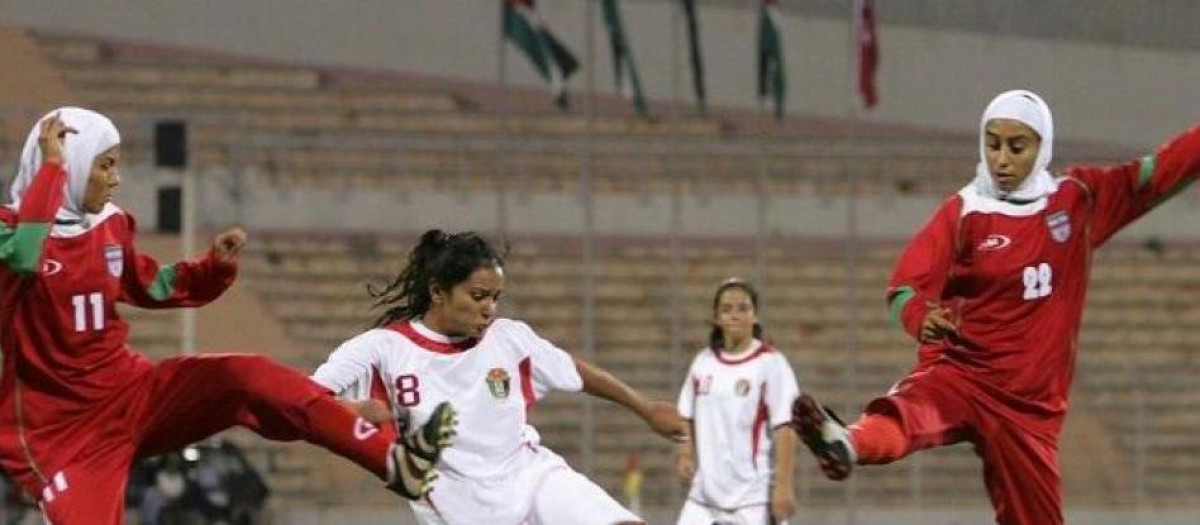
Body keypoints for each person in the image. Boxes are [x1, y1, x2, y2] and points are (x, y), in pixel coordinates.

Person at [0, 107, 453, 524]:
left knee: (246, 376)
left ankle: (392, 460)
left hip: (131, 393)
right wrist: (53, 169)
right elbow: (25, 256)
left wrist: (210, 269)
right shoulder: (7, 229)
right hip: (59, 434)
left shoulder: (110, 225)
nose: (115, 178)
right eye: (104, 165)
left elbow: (153, 285)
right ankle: (331, 411)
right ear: (68, 167)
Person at [790, 90, 1200, 525]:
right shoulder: (964, 211)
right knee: (910, 410)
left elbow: (1157, 174)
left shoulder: (1078, 200)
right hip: (964, 373)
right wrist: (920, 317)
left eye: (1017, 147)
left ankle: (849, 441)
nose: (1001, 159)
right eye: (992, 144)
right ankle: (845, 443)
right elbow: (904, 287)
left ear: (1043, 147)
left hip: (1029, 411)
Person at [311, 229, 689, 525]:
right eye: (478, 296)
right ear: (438, 291)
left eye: (495, 297)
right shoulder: (381, 349)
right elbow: (306, 399)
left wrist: (645, 408)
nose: (489, 309)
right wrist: (355, 409)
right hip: (456, 502)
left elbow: (572, 369)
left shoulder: (508, 337)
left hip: (530, 474)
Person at [675, 278, 798, 525]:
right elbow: (685, 413)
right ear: (717, 318)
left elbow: (786, 428)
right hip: (704, 496)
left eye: (743, 308)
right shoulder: (703, 363)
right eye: (727, 309)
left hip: (752, 497)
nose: (735, 315)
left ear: (755, 317)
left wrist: (784, 486)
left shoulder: (771, 364)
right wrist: (686, 452)